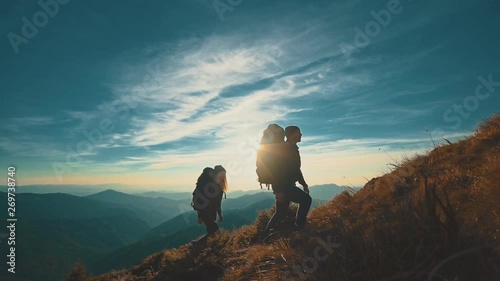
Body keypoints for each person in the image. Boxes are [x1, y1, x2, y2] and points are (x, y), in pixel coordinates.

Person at [265, 125, 312, 233]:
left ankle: (266, 234)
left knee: (281, 212)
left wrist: (304, 184)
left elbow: (296, 170)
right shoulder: (285, 149)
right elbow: (275, 171)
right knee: (306, 200)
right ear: (292, 135)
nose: (301, 135)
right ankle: (299, 227)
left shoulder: (293, 149)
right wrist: (278, 191)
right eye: (298, 132)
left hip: (287, 186)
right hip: (284, 187)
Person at [194, 165, 227, 242]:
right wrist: (200, 214)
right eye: (222, 175)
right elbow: (203, 199)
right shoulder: (212, 185)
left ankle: (202, 243)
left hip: (209, 209)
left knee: (211, 228)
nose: (224, 177)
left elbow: (217, 201)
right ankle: (220, 240)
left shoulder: (217, 184)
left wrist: (219, 213)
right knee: (211, 227)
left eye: (224, 175)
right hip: (206, 209)